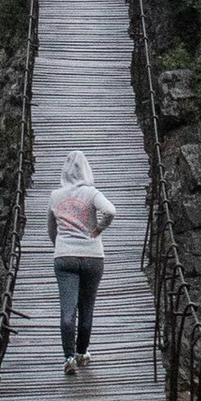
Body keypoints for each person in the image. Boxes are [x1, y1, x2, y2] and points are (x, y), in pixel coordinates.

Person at [48, 150, 116, 374]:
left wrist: (60, 245)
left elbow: (51, 229)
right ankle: (81, 352)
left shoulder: (55, 196)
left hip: (65, 257)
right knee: (87, 307)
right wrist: (98, 229)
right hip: (93, 256)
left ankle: (68, 358)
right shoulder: (91, 193)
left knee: (68, 309)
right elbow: (110, 211)